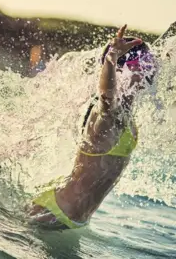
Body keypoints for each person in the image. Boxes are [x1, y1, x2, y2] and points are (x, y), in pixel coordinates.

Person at [27, 25, 156, 229]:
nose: (149, 70)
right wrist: (111, 56)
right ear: (121, 71)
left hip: (73, 219)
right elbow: (107, 94)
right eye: (142, 65)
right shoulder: (108, 114)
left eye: (149, 63)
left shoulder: (126, 110)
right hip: (54, 213)